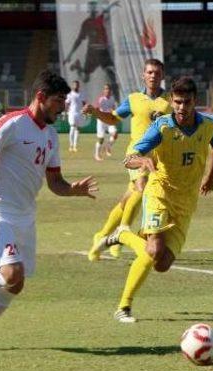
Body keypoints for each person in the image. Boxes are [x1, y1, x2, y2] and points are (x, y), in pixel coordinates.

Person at [0, 70, 97, 354]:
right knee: (12, 273)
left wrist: (73, 189)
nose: (62, 108)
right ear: (41, 97)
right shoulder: (12, 123)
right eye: (58, 101)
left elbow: (55, 183)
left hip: (25, 217)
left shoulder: (50, 135)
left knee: (16, 283)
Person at [93, 77, 213, 323]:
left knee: (162, 264)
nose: (181, 108)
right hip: (159, 194)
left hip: (186, 202)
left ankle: (122, 235)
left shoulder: (210, 124)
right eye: (177, 102)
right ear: (171, 101)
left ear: (195, 101)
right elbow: (129, 157)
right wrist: (142, 161)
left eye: (186, 102)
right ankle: (124, 306)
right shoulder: (161, 127)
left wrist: (212, 174)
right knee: (153, 250)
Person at [83, 58, 171, 259]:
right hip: (137, 155)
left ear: (162, 76)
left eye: (157, 73)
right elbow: (113, 118)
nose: (153, 76)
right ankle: (122, 232)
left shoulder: (170, 100)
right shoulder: (133, 99)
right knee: (142, 186)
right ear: (143, 75)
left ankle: (103, 234)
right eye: (149, 72)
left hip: (159, 157)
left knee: (128, 197)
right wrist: (96, 112)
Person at [94, 83, 118, 161]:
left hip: (109, 120)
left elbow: (113, 109)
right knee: (101, 139)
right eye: (105, 89)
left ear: (110, 91)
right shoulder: (101, 99)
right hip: (101, 121)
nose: (107, 90)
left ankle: (108, 146)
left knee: (115, 134)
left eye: (108, 89)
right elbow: (96, 108)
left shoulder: (112, 99)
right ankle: (97, 155)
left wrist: (113, 112)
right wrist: (99, 114)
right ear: (103, 91)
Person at [65, 80, 87, 152]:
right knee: (72, 127)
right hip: (72, 113)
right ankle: (70, 145)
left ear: (79, 86)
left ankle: (75, 146)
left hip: (79, 113)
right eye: (74, 85)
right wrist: (65, 112)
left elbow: (84, 104)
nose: (76, 86)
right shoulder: (70, 94)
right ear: (72, 86)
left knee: (78, 129)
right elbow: (67, 104)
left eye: (77, 85)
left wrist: (85, 112)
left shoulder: (81, 94)